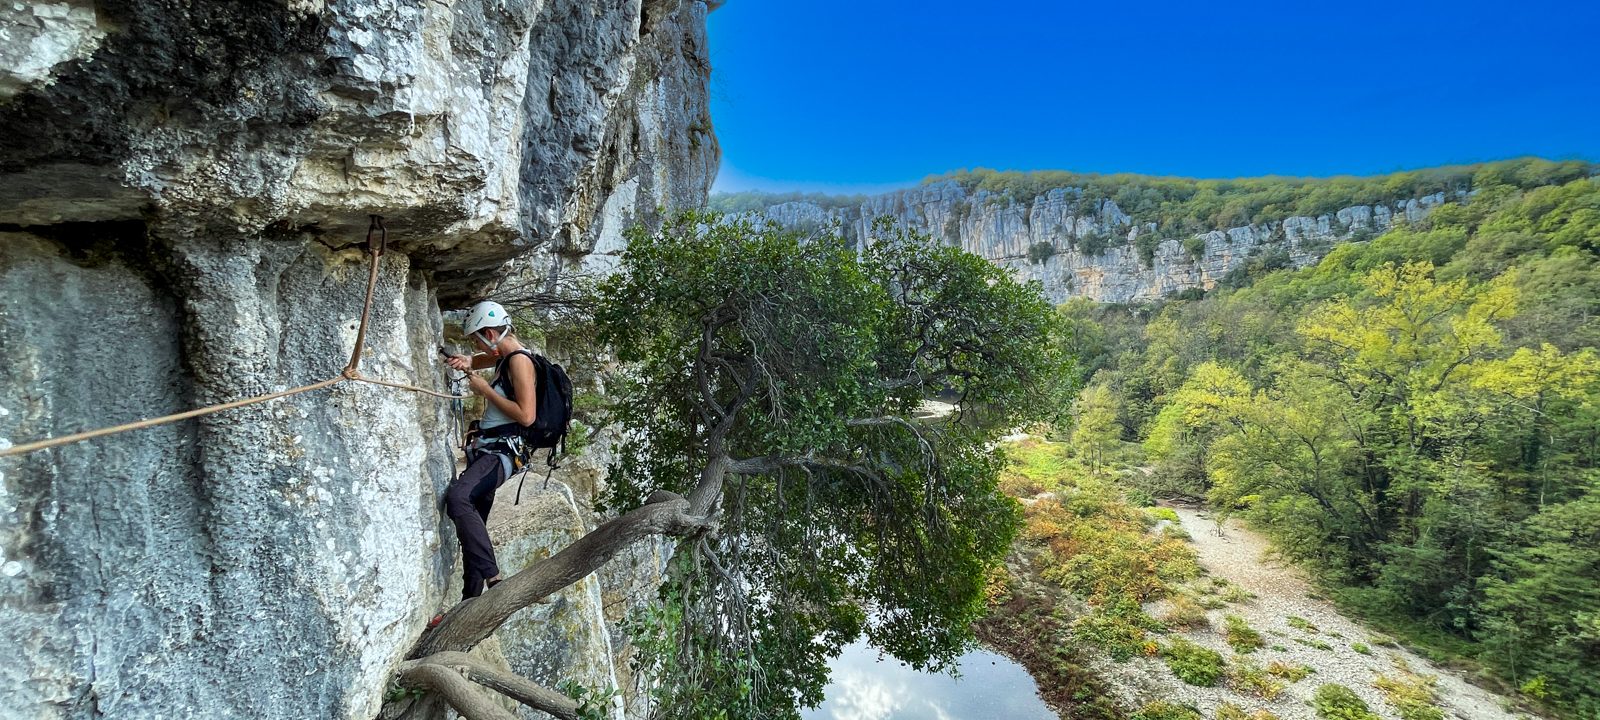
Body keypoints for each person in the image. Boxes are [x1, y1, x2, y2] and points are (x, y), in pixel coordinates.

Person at [441, 300, 537, 600]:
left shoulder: (520, 361)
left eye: (476, 339)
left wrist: (484, 391)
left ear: (490, 333)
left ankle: (495, 581)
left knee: (458, 499)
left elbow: (526, 416)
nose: (475, 345)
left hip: (502, 453)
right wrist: (466, 361)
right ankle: (469, 601)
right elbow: (478, 360)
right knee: (473, 527)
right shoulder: (505, 358)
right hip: (490, 451)